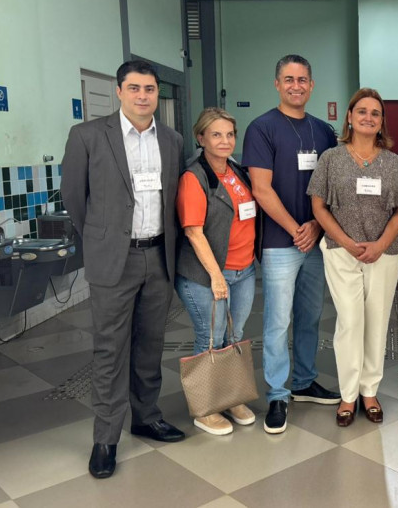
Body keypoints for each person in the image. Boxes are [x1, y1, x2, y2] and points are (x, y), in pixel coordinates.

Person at [62, 60, 185, 479]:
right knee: (110, 350)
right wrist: (104, 238)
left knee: (150, 345)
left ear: (157, 94)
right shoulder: (88, 136)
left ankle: (146, 417)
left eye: (149, 89)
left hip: (158, 256)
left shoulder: (171, 140)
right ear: (119, 92)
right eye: (134, 88)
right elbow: (74, 198)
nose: (142, 96)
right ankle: (105, 438)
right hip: (114, 259)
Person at [242, 54, 340, 435]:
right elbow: (261, 189)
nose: (295, 86)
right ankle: (278, 394)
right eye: (288, 79)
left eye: (302, 80)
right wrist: (297, 228)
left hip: (315, 242)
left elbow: (332, 187)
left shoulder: (324, 132)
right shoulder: (262, 128)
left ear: (312, 85)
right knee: (277, 321)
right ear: (277, 84)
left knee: (310, 316)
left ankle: (303, 381)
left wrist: (315, 226)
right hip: (280, 244)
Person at [308, 88, 398, 427]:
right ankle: (348, 394)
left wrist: (380, 244)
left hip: (384, 253)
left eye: (375, 113)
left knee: (377, 322)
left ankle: (369, 391)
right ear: (350, 117)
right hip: (341, 252)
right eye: (362, 111)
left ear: (382, 122)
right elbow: (318, 207)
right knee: (350, 321)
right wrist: (347, 242)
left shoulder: (394, 164)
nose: (368, 117)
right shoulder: (331, 159)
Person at [175, 107, 260, 436]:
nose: (224, 141)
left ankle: (231, 397)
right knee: (210, 338)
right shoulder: (194, 177)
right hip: (207, 274)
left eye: (229, 134)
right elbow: (194, 232)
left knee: (234, 338)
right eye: (215, 134)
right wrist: (216, 276)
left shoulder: (236, 170)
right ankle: (206, 408)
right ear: (201, 138)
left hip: (244, 270)